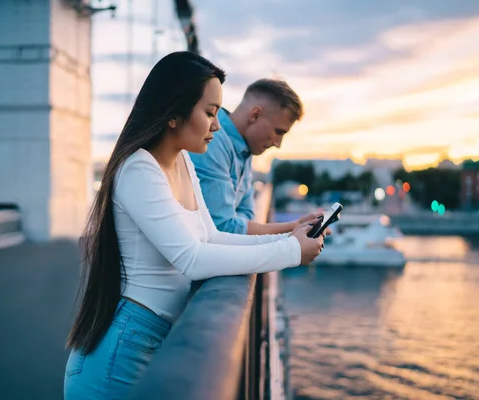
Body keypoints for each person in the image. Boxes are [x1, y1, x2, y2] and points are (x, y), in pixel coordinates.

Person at [63, 51, 326, 400]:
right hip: (120, 353)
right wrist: (291, 251)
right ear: (174, 114)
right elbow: (192, 258)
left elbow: (212, 236)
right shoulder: (139, 169)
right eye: (210, 112)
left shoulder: (183, 160)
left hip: (150, 338)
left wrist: (288, 236)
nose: (217, 125)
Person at [188, 78, 319, 235]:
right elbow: (221, 227)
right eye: (278, 132)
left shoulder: (245, 148)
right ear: (255, 115)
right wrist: (294, 227)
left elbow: (248, 215)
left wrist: (237, 222)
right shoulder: (212, 142)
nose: (278, 144)